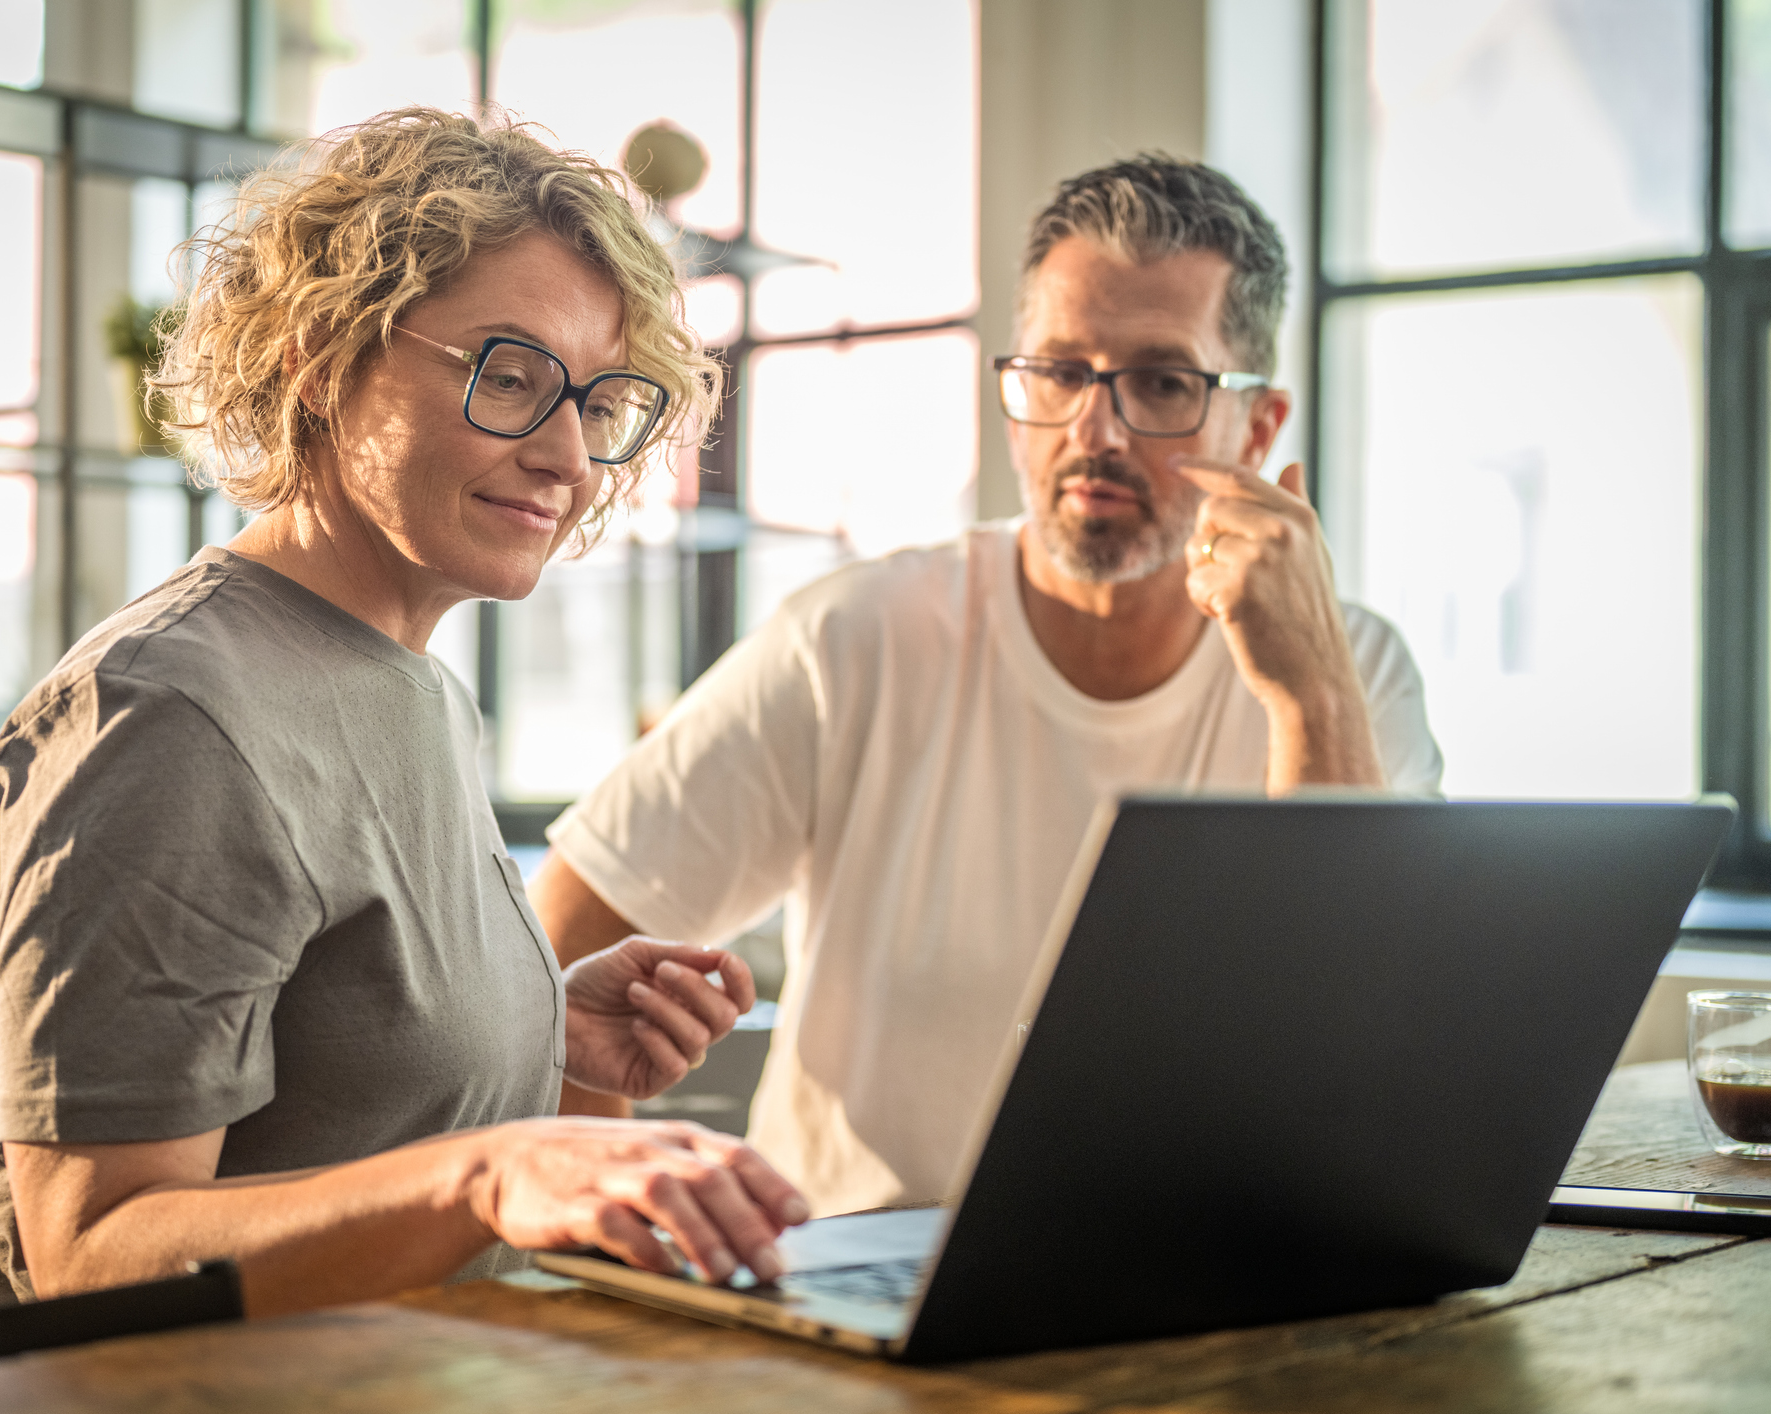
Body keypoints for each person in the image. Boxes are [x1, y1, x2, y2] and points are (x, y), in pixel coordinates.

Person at [0, 108, 809, 1316]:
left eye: (599, 402)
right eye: (509, 375)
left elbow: (323, 1086)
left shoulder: (416, 686)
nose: (568, 453)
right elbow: (92, 1253)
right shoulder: (165, 717)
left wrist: (539, 1039)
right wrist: (490, 1168)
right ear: (320, 357)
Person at [529, 157, 1444, 1217]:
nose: (1093, 433)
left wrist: (1311, 699)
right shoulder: (854, 638)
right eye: (1059, 372)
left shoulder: (1350, 665)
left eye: (1161, 382)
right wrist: (625, 1236)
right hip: (853, 1303)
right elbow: (556, 952)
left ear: (1260, 425)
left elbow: (1368, 1052)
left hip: (1205, 1297)